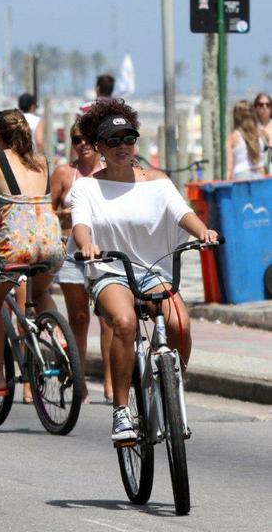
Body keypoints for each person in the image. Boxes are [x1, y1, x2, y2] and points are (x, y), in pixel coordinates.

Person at [71, 98, 219, 443]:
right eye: (112, 141)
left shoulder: (158, 182)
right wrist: (87, 244)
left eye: (128, 139)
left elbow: (182, 213)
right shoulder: (88, 187)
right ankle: (121, 412)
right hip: (111, 271)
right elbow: (80, 225)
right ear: (98, 147)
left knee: (179, 322)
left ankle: (169, 382)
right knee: (123, 323)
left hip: (154, 271)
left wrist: (203, 232)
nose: (123, 147)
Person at [0, 109, 65, 393]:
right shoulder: (43, 161)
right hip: (51, 243)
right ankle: (56, 333)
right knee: (40, 293)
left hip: (17, 245)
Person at [51, 122, 112, 403]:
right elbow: (46, 212)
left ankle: (113, 381)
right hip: (72, 253)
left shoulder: (109, 172)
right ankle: (80, 381)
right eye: (77, 139)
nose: (83, 144)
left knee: (109, 318)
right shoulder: (64, 173)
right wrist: (65, 215)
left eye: (88, 138)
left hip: (104, 251)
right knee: (78, 319)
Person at [226, 100, 266, 181]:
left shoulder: (233, 137)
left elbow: (229, 170)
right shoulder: (261, 134)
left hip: (241, 177)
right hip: (259, 175)